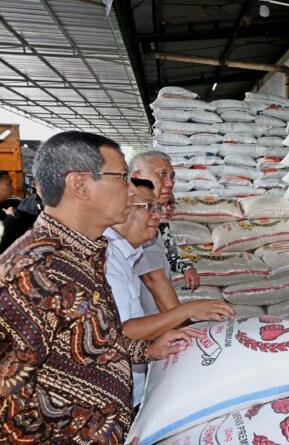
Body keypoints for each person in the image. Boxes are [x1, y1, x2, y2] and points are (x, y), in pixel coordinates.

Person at [0, 131, 194, 442]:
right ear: (79, 184)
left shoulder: (87, 253)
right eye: (122, 177)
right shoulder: (34, 272)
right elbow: (8, 404)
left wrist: (146, 349)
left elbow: (91, 340)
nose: (131, 189)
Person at [104, 178, 233, 407]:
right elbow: (123, 331)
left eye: (158, 208)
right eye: (148, 208)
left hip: (132, 383)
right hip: (116, 391)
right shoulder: (110, 259)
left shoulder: (127, 255)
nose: (157, 215)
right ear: (121, 208)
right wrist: (189, 311)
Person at [129, 150, 199, 315]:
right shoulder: (136, 220)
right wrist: (183, 326)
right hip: (140, 326)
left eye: (172, 177)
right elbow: (154, 280)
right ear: (136, 176)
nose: (169, 183)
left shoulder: (155, 224)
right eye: (162, 174)